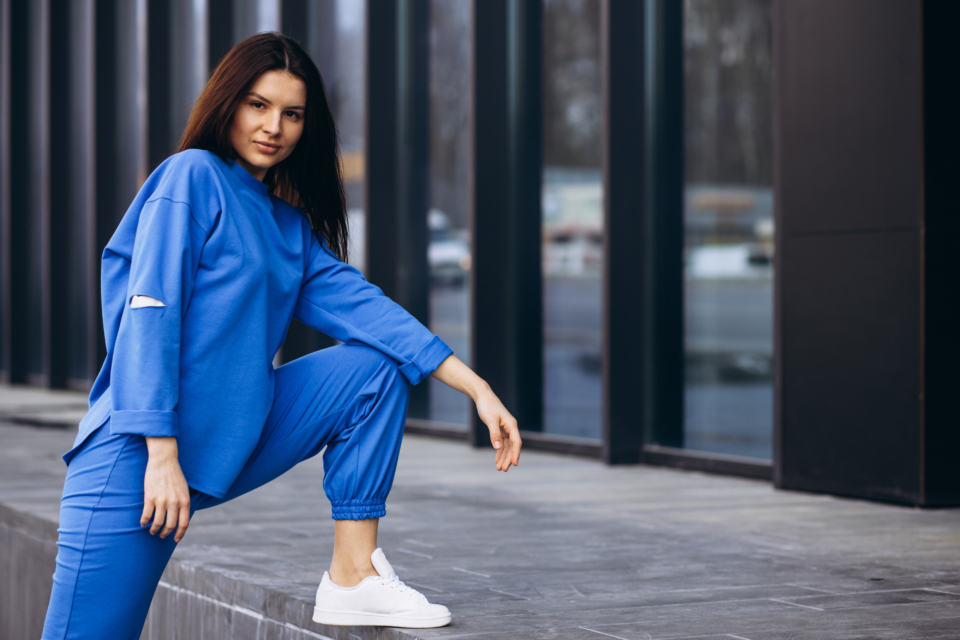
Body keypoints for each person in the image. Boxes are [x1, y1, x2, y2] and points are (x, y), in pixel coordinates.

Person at [40, 32, 521, 638]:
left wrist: (475, 387)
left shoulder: (287, 228)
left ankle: (353, 576)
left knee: (372, 372)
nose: (274, 126)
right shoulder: (190, 177)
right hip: (134, 460)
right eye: (258, 105)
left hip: (227, 438)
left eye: (292, 114)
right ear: (228, 105)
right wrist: (160, 453)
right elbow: (148, 316)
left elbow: (370, 313)